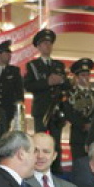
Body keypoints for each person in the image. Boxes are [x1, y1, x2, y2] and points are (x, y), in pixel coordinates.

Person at [24, 29, 67, 174]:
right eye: (44, 43)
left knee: (56, 143)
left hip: (57, 111)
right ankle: (38, 170)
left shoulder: (58, 65)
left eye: (49, 43)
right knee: (39, 142)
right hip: (41, 110)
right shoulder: (33, 65)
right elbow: (28, 85)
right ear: (38, 46)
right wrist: (47, 82)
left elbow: (67, 86)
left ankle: (56, 172)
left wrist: (62, 81)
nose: (48, 46)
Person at [64, 58, 94, 160]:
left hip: (93, 137)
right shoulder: (70, 94)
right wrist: (83, 125)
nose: (86, 78)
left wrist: (92, 125)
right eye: (83, 75)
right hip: (78, 137)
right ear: (77, 77)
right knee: (79, 163)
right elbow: (69, 113)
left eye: (87, 75)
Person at [0, 40, 24, 132]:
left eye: (9, 53)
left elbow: (19, 91)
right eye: (6, 53)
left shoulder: (14, 71)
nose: (9, 55)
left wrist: (18, 109)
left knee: (5, 132)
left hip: (8, 110)